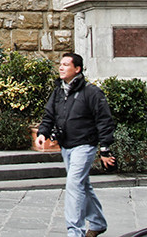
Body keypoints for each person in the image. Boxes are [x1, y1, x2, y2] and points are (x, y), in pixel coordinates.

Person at [36, 52, 116, 237]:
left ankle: (75, 232)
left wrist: (105, 148)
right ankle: (97, 222)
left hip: (85, 145)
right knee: (82, 184)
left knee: (73, 184)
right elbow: (49, 115)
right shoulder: (58, 91)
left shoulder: (92, 92)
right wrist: (42, 133)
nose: (61, 67)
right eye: (60, 64)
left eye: (66, 64)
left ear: (77, 69)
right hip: (67, 146)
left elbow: (104, 121)